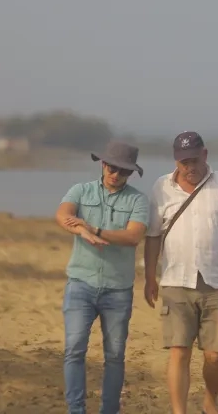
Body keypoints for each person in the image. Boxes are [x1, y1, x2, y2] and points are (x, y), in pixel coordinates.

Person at [143, 131, 218, 414]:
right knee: (179, 351)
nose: (189, 168)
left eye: (194, 160)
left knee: (215, 355)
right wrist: (149, 278)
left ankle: (210, 400)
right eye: (183, 163)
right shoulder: (161, 187)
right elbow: (153, 236)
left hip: (216, 282)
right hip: (176, 281)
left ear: (205, 155)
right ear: (175, 161)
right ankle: (179, 411)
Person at [54, 140, 150, 414]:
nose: (116, 174)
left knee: (115, 356)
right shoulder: (80, 190)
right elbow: (63, 215)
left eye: (123, 170)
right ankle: (76, 410)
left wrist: (93, 228)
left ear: (130, 173)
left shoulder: (138, 200)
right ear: (102, 163)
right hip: (80, 284)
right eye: (111, 166)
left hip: (118, 289)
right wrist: (80, 231)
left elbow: (133, 236)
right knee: (74, 349)